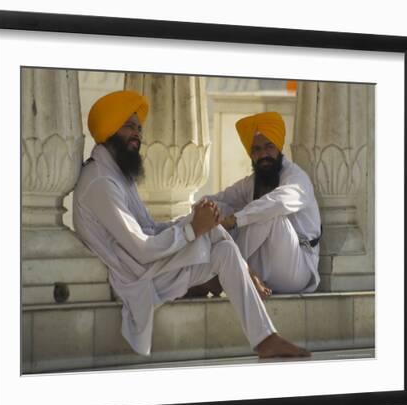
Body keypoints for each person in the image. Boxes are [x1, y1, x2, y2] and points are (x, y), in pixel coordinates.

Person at [73, 90, 310, 359]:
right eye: (129, 126)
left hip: (147, 266)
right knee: (216, 238)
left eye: (139, 128)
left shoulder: (116, 174)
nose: (137, 134)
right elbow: (142, 249)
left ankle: (265, 337)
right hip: (136, 275)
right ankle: (238, 289)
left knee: (221, 245)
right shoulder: (101, 182)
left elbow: (149, 228)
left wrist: (195, 221)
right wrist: (191, 228)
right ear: (109, 128)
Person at [204, 111, 321, 297]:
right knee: (217, 208)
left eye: (269, 146)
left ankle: (223, 273)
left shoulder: (297, 178)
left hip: (296, 269)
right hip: (261, 265)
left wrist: (235, 219)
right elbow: (218, 198)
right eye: (256, 149)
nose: (263, 154)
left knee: (267, 213)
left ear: (279, 148)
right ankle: (222, 270)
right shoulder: (251, 183)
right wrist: (203, 212)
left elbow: (277, 202)